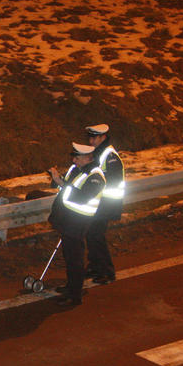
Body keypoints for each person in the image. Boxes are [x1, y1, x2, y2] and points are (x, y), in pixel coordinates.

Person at [48, 141, 106, 307]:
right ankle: (70, 287)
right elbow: (62, 186)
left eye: (77, 157)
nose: (73, 160)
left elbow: (81, 197)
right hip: (67, 219)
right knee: (69, 256)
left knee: (75, 259)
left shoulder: (96, 177)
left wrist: (61, 183)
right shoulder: (77, 170)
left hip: (79, 222)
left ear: (88, 158)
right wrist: (55, 178)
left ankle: (75, 295)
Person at [84, 124, 125, 284]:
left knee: (96, 235)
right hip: (99, 202)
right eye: (90, 137)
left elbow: (111, 181)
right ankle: (95, 266)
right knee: (91, 234)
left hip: (107, 203)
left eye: (94, 137)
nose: (91, 140)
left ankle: (106, 271)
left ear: (103, 137)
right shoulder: (98, 153)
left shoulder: (109, 155)